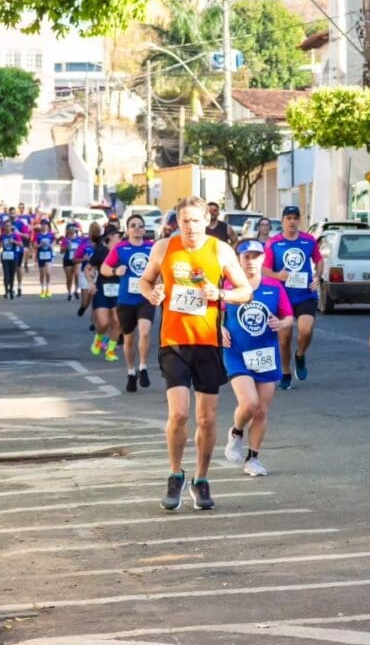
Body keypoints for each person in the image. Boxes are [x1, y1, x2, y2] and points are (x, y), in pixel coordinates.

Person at [140, 197, 254, 511]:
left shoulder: (221, 250)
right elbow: (144, 281)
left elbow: (246, 291)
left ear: (207, 220)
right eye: (184, 220)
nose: (190, 226)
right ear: (177, 222)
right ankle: (175, 474)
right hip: (174, 342)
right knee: (178, 413)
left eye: (195, 220)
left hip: (208, 343)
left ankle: (201, 479)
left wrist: (222, 294)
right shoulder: (164, 248)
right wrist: (152, 293)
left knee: (207, 418)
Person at [221, 239, 294, 477]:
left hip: (265, 354)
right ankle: (236, 431)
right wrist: (219, 329)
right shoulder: (228, 286)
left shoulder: (274, 287)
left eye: (256, 256)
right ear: (238, 260)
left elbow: (288, 316)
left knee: (261, 411)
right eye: (246, 257)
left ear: (263, 259)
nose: (251, 261)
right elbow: (212, 313)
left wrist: (281, 323)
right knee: (249, 403)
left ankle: (253, 459)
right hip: (236, 352)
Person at [262, 206, 322, 390]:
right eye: (288, 218)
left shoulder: (309, 240)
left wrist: (318, 277)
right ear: (282, 221)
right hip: (283, 297)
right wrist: (277, 276)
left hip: (305, 294)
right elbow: (264, 269)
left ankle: (300, 354)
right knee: (284, 337)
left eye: (295, 218)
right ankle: (286, 373)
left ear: (299, 220)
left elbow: (319, 261)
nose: (292, 222)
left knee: (306, 329)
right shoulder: (273, 243)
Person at [102, 214, 156, 392]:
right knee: (129, 338)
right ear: (128, 229)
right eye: (133, 225)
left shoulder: (152, 247)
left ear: (144, 229)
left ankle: (143, 367)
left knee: (145, 332)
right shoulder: (120, 248)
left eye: (140, 225)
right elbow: (104, 268)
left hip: (146, 297)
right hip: (126, 299)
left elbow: (161, 268)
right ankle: (131, 372)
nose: (137, 228)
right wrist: (115, 271)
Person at [88, 227, 122, 362]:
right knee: (103, 323)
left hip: (118, 291)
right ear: (110, 237)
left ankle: (110, 351)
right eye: (117, 235)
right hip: (102, 291)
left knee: (117, 321)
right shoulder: (101, 251)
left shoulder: (122, 251)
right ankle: (99, 338)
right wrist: (90, 282)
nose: (120, 237)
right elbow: (88, 268)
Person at [76, 222, 102, 318]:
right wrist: (83, 259)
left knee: (95, 301)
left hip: (97, 274)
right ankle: (83, 307)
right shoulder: (84, 244)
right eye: (93, 232)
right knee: (85, 301)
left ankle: (93, 322)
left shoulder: (101, 245)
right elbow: (74, 259)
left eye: (96, 232)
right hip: (85, 274)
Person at [0, 220, 23, 300]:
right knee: (6, 273)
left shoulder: (15, 235)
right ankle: (6, 291)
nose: (7, 227)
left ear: (11, 227)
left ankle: (11, 289)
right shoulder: (2, 236)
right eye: (6, 226)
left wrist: (14, 241)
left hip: (13, 256)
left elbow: (21, 244)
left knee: (12, 274)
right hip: (5, 256)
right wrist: (0, 244)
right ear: (4, 227)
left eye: (9, 226)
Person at [32, 218, 55, 298]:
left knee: (48, 272)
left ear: (48, 226)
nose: (44, 226)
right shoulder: (37, 235)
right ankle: (42, 289)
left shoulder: (51, 235)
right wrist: (40, 245)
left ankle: (48, 288)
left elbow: (53, 242)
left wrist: (51, 246)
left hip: (49, 255)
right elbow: (34, 246)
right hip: (41, 255)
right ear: (41, 226)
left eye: (46, 225)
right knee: (42, 273)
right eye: (43, 224)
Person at [60, 223, 83, 301]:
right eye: (70, 229)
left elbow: (83, 250)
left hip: (77, 260)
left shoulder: (80, 239)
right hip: (67, 260)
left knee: (77, 275)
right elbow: (61, 251)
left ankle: (76, 290)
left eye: (73, 229)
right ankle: (69, 293)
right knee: (69, 277)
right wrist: (67, 246)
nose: (72, 230)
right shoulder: (65, 239)